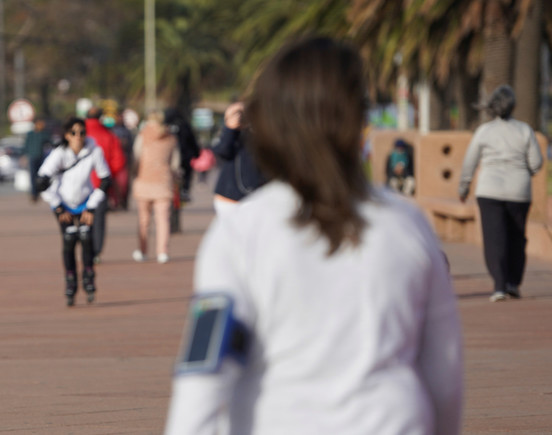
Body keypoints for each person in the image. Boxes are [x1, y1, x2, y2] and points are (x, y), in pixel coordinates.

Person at [165, 37, 463, 434]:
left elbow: (205, 369)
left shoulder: (241, 231)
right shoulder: (407, 224)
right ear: (359, 120)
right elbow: (443, 372)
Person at [459, 84, 544, 302]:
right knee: (517, 237)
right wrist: (522, 170)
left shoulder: (484, 131)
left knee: (494, 238)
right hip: (520, 191)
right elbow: (536, 164)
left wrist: (464, 187)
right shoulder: (524, 130)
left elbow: (470, 161)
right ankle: (513, 283)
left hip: (489, 191)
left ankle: (498, 286)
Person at [37, 117, 111, 306]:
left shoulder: (94, 151)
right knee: (69, 238)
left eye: (82, 133)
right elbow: (42, 181)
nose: (78, 137)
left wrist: (92, 207)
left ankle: (88, 274)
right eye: (74, 133)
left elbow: (105, 179)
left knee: (86, 237)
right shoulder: (59, 153)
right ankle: (70, 279)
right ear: (66, 135)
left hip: (86, 202)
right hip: (63, 203)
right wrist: (58, 206)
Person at [130, 111, 179, 264]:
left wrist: (135, 173)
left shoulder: (142, 136)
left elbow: (136, 158)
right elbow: (175, 163)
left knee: (143, 220)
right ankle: (162, 252)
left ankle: (142, 250)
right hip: (164, 183)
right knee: (163, 219)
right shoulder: (171, 138)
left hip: (144, 181)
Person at [210, 101, 267, 216]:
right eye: (236, 113)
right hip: (228, 199)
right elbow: (223, 151)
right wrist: (230, 129)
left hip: (256, 198)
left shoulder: (262, 134)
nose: (240, 116)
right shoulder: (228, 136)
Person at [85, 107, 125, 262]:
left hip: (81, 185)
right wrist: (109, 174)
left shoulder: (78, 135)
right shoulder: (109, 135)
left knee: (82, 219)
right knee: (99, 219)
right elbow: (119, 160)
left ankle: (86, 250)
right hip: (101, 184)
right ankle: (97, 251)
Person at [23, 119, 50, 202]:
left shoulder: (44, 134)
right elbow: (26, 145)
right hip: (32, 157)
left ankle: (41, 192)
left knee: (41, 176)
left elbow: (50, 141)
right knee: (33, 176)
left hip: (41, 157)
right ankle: (34, 194)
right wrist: (24, 156)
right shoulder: (30, 134)